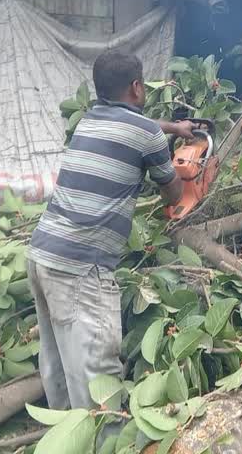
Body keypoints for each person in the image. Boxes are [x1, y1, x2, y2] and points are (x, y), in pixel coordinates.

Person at [27, 51, 195, 420]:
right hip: (81, 267)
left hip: (42, 255)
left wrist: (175, 129)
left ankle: (63, 435)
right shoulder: (146, 132)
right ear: (137, 87)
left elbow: (141, 127)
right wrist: (183, 177)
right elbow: (172, 193)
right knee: (98, 376)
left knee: (58, 362)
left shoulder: (89, 119)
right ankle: (99, 442)